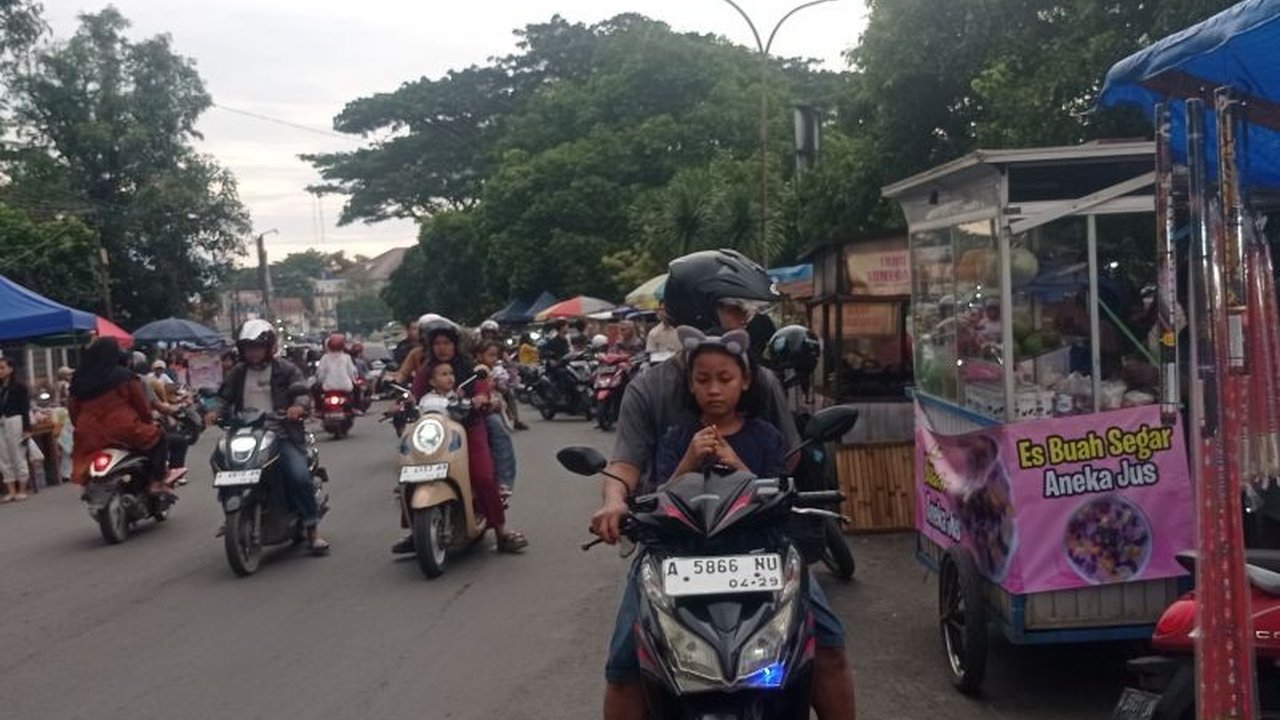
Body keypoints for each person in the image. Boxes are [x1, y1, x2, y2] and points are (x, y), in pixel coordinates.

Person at [589, 249, 856, 720]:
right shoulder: (648, 389)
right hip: (672, 545)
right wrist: (613, 504)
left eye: (744, 311)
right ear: (701, 309)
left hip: (761, 543)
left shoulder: (762, 384)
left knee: (827, 646)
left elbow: (787, 464)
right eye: (734, 309)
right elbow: (624, 465)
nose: (745, 320)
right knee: (625, 667)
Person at [393, 318, 527, 554]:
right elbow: (412, 395)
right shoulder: (426, 371)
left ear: (455, 345)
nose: (442, 348)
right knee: (408, 474)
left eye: (446, 342)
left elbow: (482, 389)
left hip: (468, 427)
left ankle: (501, 532)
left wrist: (482, 399)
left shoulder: (470, 369)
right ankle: (416, 532)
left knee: (483, 477)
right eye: (437, 343)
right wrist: (401, 404)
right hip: (434, 432)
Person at [209, 319, 329, 555]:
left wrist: (298, 407)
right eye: (248, 347)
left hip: (281, 434)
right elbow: (223, 398)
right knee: (220, 461)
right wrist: (213, 412)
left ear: (269, 347)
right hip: (244, 432)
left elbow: (301, 392)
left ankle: (312, 530)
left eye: (257, 347)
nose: (253, 352)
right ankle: (231, 511)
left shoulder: (286, 369)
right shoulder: (237, 373)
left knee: (298, 475)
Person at [67, 338, 173, 497]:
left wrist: (81, 428)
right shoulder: (124, 376)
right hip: (124, 429)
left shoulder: (78, 380)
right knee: (159, 437)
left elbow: (73, 411)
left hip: (88, 434)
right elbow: (142, 406)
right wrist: (147, 421)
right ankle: (157, 482)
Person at [476, 341, 520, 496]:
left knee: (497, 428)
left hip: (488, 407)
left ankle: (504, 481)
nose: (494, 358)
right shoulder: (473, 369)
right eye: (490, 355)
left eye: (495, 355)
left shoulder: (495, 370)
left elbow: (506, 386)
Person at [0, 356, 32, 502]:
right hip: (2, 422)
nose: (0, 371)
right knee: (3, 457)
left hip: (15, 420)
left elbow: (25, 409)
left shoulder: (19, 387)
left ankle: (22, 488)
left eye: (2, 368)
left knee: (17, 454)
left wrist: (27, 428)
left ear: (11, 369)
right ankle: (11, 490)